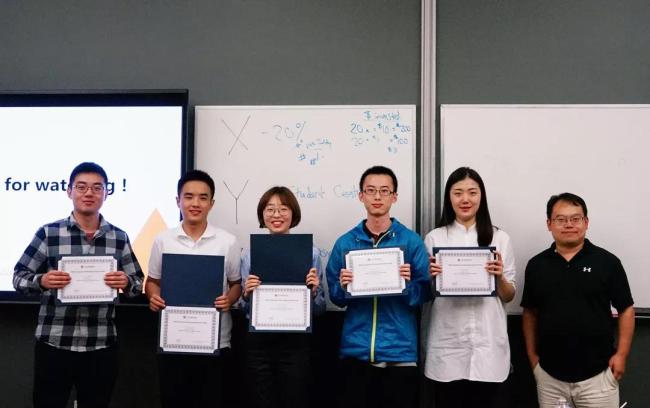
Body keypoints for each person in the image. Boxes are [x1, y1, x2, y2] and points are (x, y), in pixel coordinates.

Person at [13, 162, 143, 408]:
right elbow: (19, 277)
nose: (89, 193)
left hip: (101, 343)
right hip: (55, 342)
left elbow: (137, 283)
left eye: (97, 188)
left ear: (106, 193)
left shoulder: (118, 237)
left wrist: (126, 282)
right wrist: (42, 280)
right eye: (81, 187)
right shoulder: (48, 233)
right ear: (69, 191)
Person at [326, 165, 431, 408]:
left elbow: (426, 292)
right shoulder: (345, 243)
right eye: (371, 190)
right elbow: (335, 297)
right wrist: (343, 286)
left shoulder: (411, 241)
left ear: (394, 197)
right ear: (361, 195)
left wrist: (407, 285)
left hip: (400, 353)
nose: (377, 197)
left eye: (384, 191)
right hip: (356, 353)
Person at [521, 192, 635, 408]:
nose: (569, 225)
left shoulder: (607, 262)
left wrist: (621, 355)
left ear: (586, 222)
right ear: (549, 224)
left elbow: (626, 309)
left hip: (599, 376)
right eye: (561, 219)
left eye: (575, 218)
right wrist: (533, 358)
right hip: (550, 377)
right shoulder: (537, 265)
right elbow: (530, 312)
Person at [145, 169, 242, 408]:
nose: (195, 203)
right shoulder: (163, 240)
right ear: (178, 201)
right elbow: (152, 281)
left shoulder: (227, 241)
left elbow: (236, 284)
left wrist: (229, 299)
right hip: (173, 339)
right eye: (188, 197)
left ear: (212, 203)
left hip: (216, 341)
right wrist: (153, 297)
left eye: (202, 197)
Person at [422, 167, 516, 408]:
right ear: (449, 197)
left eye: (472, 192)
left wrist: (498, 278)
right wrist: (430, 278)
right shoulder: (435, 238)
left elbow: (509, 295)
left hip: (488, 346)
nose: (465, 199)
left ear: (481, 196)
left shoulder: (500, 238)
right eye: (458, 193)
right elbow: (427, 294)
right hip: (447, 345)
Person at [240, 186, 325, 408]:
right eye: (270, 209)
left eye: (283, 209)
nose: (276, 215)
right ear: (262, 214)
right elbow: (242, 308)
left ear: (293, 213)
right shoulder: (250, 254)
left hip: (296, 342)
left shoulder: (311, 253)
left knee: (295, 399)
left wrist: (313, 293)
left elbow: (321, 308)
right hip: (259, 344)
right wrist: (247, 295)